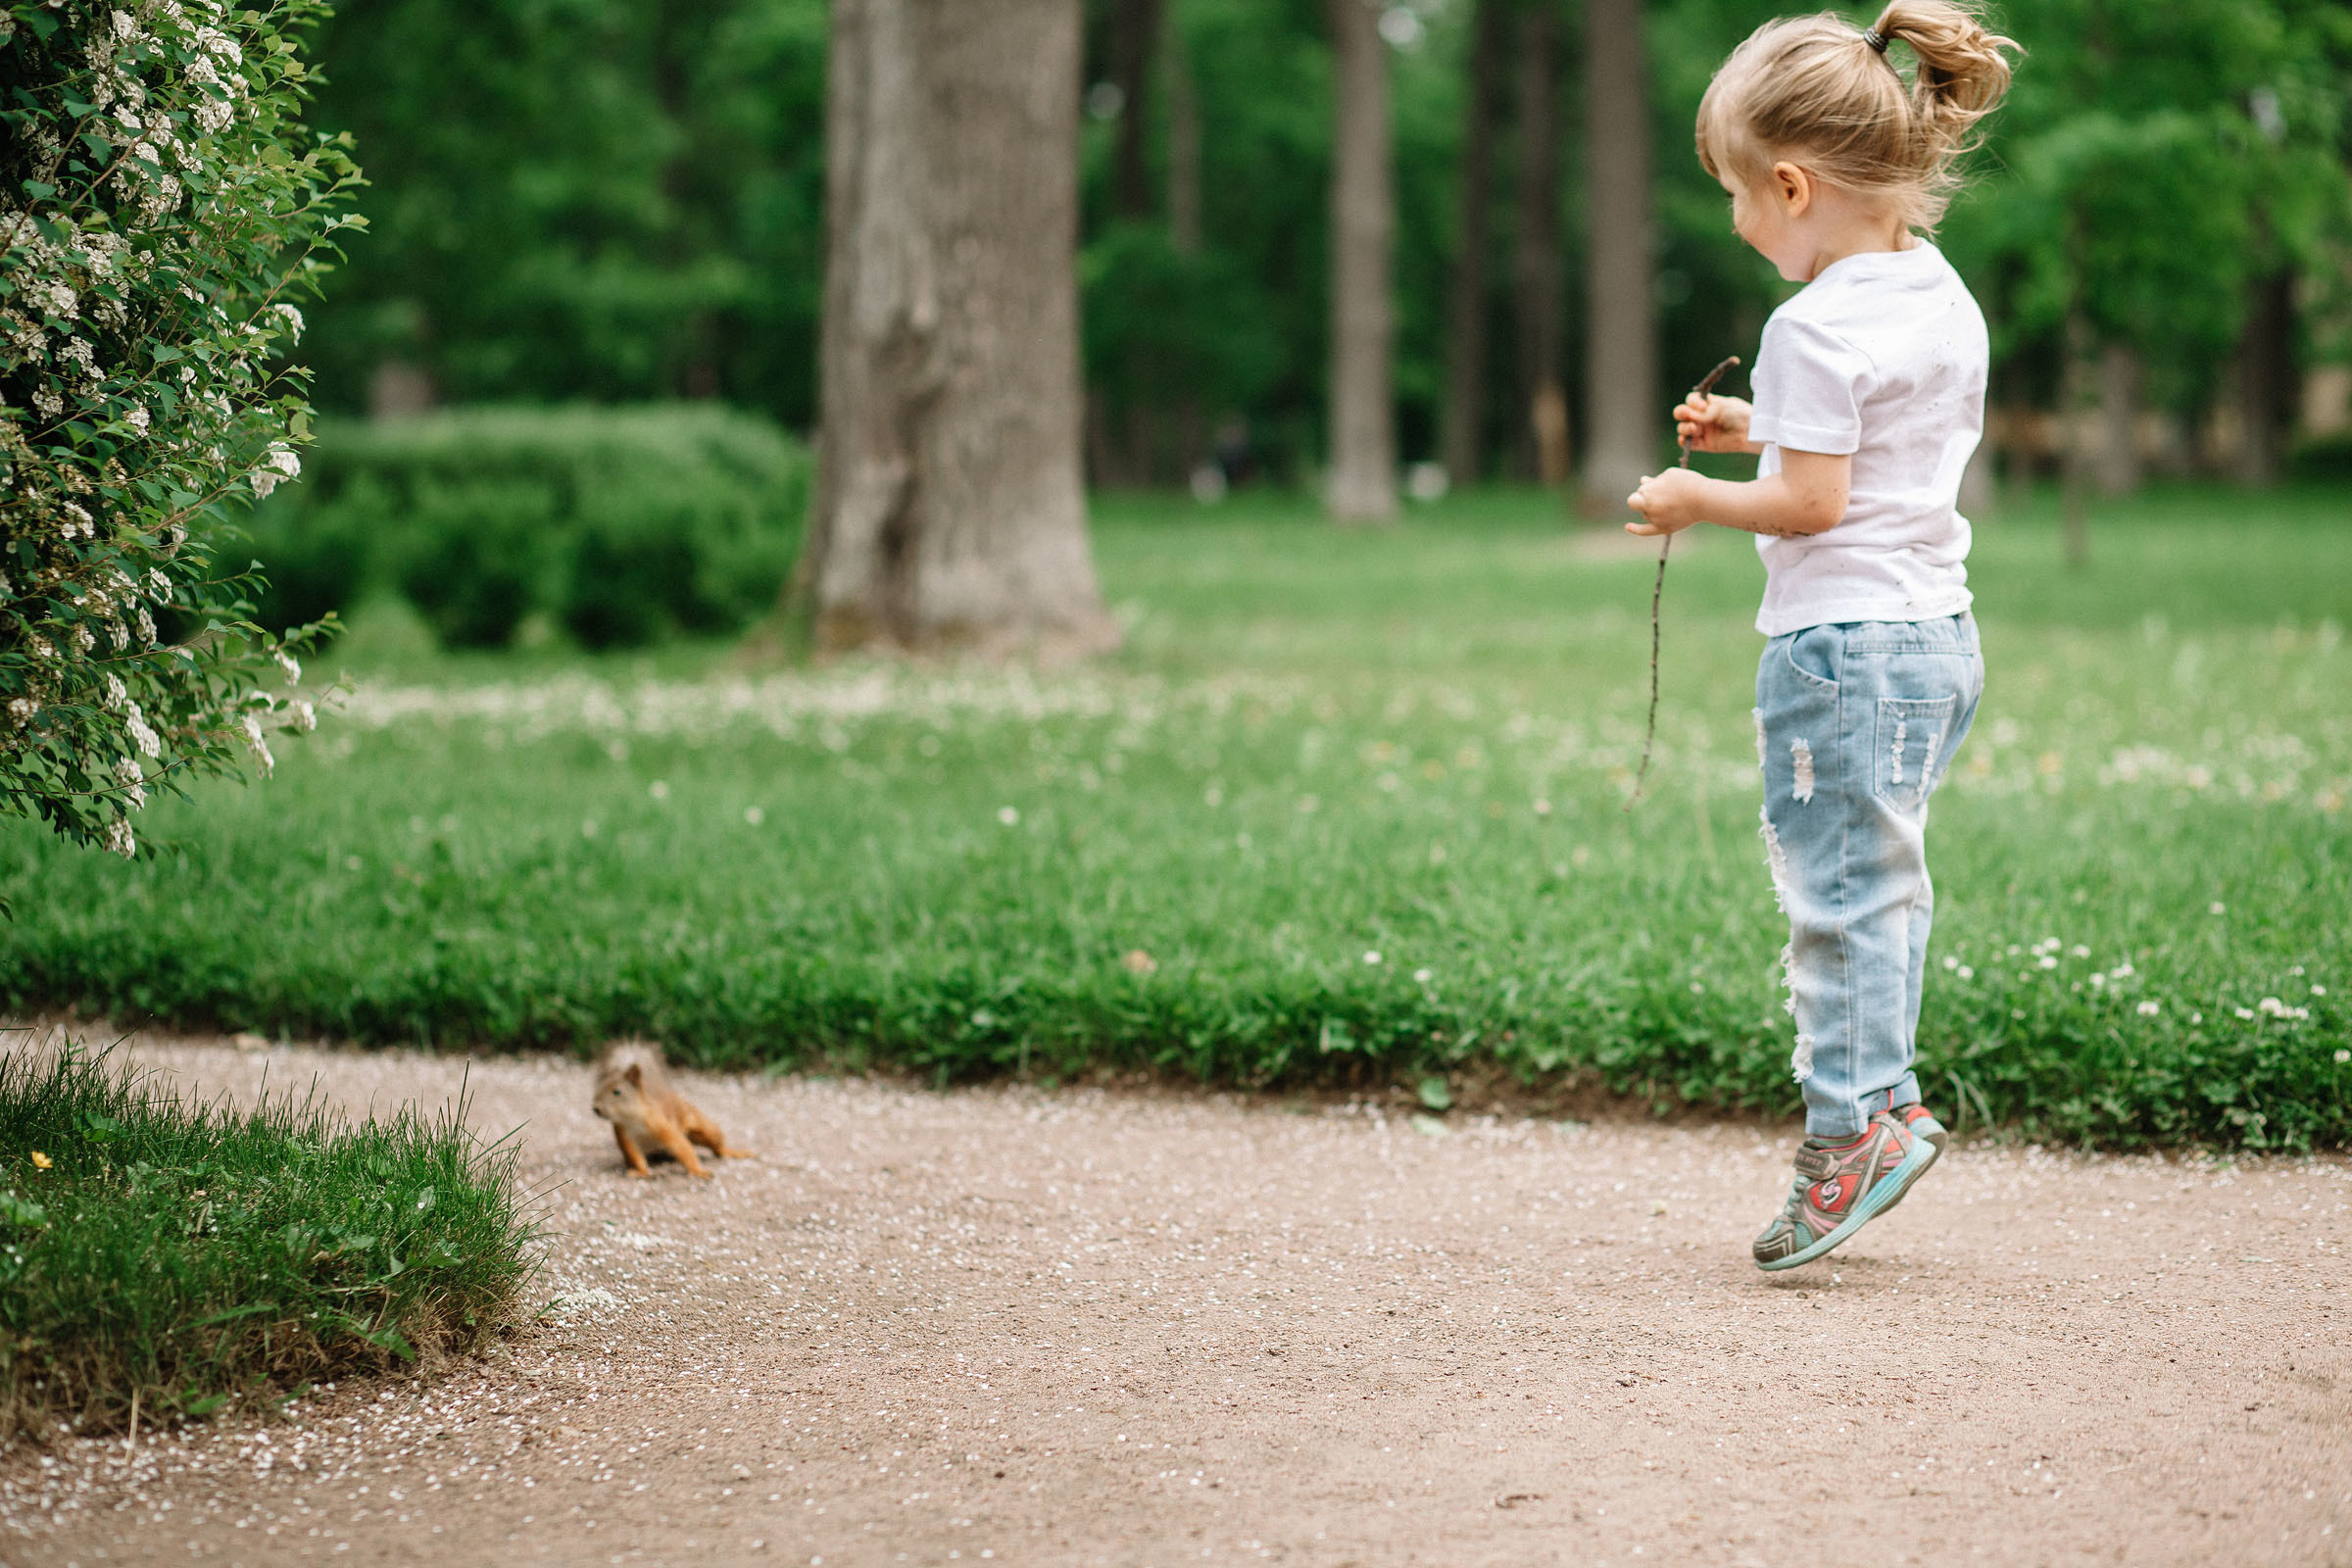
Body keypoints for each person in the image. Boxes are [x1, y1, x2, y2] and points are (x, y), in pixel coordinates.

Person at [1624, 0, 2020, 1272]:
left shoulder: (1810, 324)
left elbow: (1812, 505)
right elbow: (1875, 443)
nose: (1738, 223)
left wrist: (1695, 496)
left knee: (1834, 897)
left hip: (1842, 652)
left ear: (1793, 185)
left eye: (1738, 197)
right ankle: (1888, 1098)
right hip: (1936, 639)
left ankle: (1850, 1134)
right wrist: (1756, 428)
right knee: (1881, 883)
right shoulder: (1936, 291)